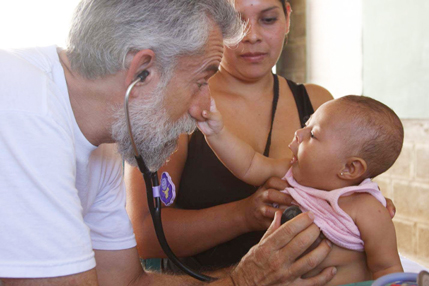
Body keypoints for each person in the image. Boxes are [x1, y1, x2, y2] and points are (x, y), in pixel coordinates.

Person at [0, 0, 338, 285]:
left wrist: (242, 279)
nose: (202, 106)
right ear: (142, 71)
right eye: (202, 80)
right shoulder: (25, 113)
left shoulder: (102, 142)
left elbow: (128, 282)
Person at [125, 0, 338, 273]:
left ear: (287, 18)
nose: (251, 36)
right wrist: (244, 215)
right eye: (236, 23)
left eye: (268, 19)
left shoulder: (318, 104)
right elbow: (144, 235)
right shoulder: (174, 103)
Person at [198, 95, 405, 285]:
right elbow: (250, 164)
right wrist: (216, 133)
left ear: (349, 168)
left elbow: (387, 268)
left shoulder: (368, 209)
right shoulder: (292, 174)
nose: (299, 133)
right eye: (306, 124)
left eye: (313, 134)